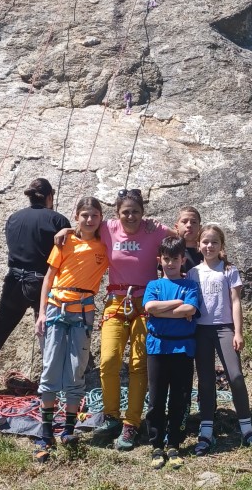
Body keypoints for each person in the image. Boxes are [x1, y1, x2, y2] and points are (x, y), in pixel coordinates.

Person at [54, 188, 174, 450]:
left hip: (146, 302)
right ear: (117, 214)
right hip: (116, 301)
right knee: (109, 360)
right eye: (125, 212)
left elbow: (180, 239)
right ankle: (111, 416)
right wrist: (65, 230)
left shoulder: (153, 230)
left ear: (143, 212)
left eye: (136, 212)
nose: (130, 217)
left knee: (138, 363)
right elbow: (84, 228)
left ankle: (131, 423)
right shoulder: (108, 228)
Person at [0, 178, 70, 395]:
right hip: (42, 282)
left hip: (14, 281)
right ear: (50, 197)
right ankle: (51, 384)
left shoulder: (13, 218)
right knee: (48, 333)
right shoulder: (58, 221)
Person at [32, 197, 109, 463]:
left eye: (95, 216)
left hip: (83, 311)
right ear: (76, 216)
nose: (89, 220)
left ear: (101, 218)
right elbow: (49, 278)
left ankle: (68, 429)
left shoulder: (105, 244)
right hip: (57, 308)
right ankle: (45, 432)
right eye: (84, 215)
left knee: (77, 367)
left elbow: (124, 228)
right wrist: (41, 313)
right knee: (51, 365)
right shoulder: (65, 242)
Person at [187, 224, 252, 454]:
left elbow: (236, 302)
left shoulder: (229, 270)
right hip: (201, 330)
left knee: (236, 376)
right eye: (205, 242)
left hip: (224, 328)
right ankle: (207, 431)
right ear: (199, 245)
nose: (209, 246)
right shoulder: (193, 273)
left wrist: (238, 332)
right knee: (206, 381)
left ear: (222, 245)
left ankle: (247, 429)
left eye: (214, 242)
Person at [143, 236, 200, 470]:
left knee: (180, 398)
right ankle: (157, 445)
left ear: (182, 260)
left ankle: (174, 443)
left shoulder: (191, 286)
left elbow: (191, 309)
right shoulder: (153, 286)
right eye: (166, 259)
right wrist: (177, 305)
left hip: (183, 348)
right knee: (156, 399)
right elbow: (149, 307)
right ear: (160, 260)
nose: (170, 264)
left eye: (174, 259)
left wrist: (162, 310)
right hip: (158, 347)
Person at [175, 206, 203, 273]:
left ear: (200, 227)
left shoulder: (206, 251)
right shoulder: (171, 250)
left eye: (194, 222)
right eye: (184, 222)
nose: (189, 225)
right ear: (176, 227)